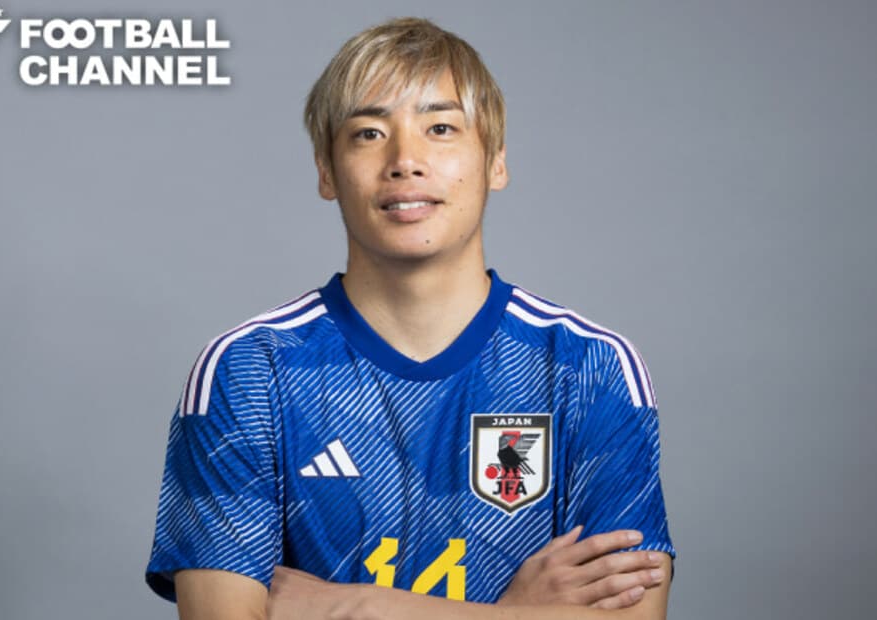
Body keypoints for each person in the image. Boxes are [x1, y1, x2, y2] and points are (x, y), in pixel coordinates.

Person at [146, 17, 675, 620]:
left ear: (496, 162)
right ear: (326, 171)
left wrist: (359, 606)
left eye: (441, 128)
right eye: (368, 133)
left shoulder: (591, 367)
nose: (405, 160)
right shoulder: (249, 369)